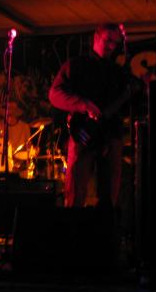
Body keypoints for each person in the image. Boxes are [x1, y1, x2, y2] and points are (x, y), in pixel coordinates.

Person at [48, 23, 131, 209]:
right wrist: (83, 104)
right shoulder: (76, 65)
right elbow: (54, 94)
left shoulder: (118, 72)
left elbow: (126, 107)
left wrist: (142, 89)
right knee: (75, 194)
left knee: (109, 198)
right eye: (108, 40)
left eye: (115, 42)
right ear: (96, 37)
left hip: (111, 137)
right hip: (83, 137)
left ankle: (105, 226)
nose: (111, 46)